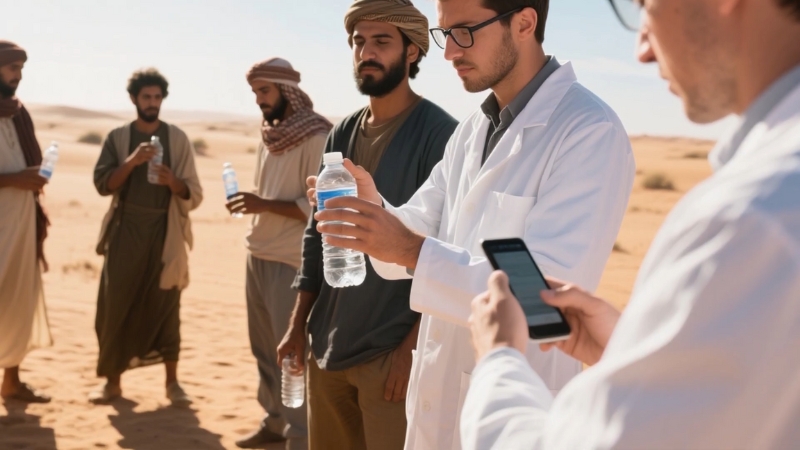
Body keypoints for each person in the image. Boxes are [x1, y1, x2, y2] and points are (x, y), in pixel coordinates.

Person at [462, 0, 800, 448]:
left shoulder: (752, 217)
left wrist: (500, 357)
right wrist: (633, 352)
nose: (642, 49)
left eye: (646, 7)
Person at [310, 0, 635, 448]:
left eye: (464, 31)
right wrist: (375, 212)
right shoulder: (470, 132)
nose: (448, 53)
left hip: (516, 416)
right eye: (446, 34)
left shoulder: (588, 131)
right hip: (437, 406)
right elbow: (419, 228)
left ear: (524, 23)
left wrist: (408, 248)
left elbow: (545, 295)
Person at [277, 1, 458, 449]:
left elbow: (449, 250)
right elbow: (316, 236)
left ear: (413, 51)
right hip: (328, 346)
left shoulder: (441, 136)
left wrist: (411, 350)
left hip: (391, 356)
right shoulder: (342, 133)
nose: (366, 52)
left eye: (381, 41)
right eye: (359, 42)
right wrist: (298, 325)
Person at [230, 58, 330, 450]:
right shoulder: (270, 134)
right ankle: (273, 423)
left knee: (291, 354)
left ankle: (301, 437)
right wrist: (260, 206)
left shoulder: (316, 136)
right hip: (258, 253)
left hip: (292, 261)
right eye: (255, 92)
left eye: (265, 91)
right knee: (262, 349)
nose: (259, 100)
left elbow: (315, 206)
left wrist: (263, 204)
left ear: (286, 89)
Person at [90, 68, 203, 406]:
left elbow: (193, 194)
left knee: (167, 306)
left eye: (157, 97)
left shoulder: (177, 139)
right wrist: (131, 161)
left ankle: (172, 384)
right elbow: (103, 185)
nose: (152, 103)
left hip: (164, 234)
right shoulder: (118, 138)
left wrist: (173, 182)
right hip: (125, 234)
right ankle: (112, 383)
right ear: (134, 99)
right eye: (146, 97)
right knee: (115, 306)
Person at [0, 40, 53, 404]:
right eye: (12, 68)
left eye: (21, 69)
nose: (18, 76)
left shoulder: (18, 113)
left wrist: (32, 177)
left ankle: (12, 382)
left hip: (20, 223)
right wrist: (14, 179)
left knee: (18, 300)